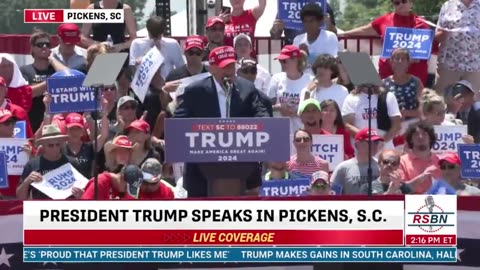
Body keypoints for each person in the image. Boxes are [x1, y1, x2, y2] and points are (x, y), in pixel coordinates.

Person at [174, 45, 269, 198]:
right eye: (225, 67)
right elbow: (179, 121)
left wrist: (262, 126)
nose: (229, 71)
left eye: (232, 66)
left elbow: (261, 113)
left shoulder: (247, 88)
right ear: (212, 68)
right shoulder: (195, 91)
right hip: (201, 168)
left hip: (242, 164)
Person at [340, 0, 432, 85]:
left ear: (411, 2)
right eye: (396, 2)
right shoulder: (384, 20)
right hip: (387, 75)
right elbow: (364, 30)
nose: (400, 4)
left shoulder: (422, 25)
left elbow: (423, 54)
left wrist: (402, 61)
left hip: (413, 78)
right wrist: (342, 34)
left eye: (404, 1)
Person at [20, 31, 68, 132]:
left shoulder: (55, 68)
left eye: (47, 45)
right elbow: (29, 93)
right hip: (33, 121)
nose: (44, 47)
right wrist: (52, 82)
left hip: (56, 122)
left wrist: (51, 59)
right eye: (40, 45)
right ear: (32, 48)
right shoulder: (25, 70)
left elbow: (68, 77)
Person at [16, 125, 81, 200]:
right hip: (41, 209)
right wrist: (27, 182)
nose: (55, 148)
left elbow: (82, 189)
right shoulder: (32, 164)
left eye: (57, 144)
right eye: (50, 145)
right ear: (43, 146)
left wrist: (80, 195)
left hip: (65, 208)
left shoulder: (72, 162)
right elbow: (20, 197)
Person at [434, 0, 480, 95]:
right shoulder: (447, 6)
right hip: (449, 65)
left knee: (473, 103)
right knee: (442, 101)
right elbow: (437, 36)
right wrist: (443, 33)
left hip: (475, 66)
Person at [342, 85, 402, 151]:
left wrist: (381, 141)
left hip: (385, 149)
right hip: (362, 148)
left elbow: (396, 125)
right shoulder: (351, 98)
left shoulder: (388, 96)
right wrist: (367, 139)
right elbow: (347, 125)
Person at [269, 45, 311, 135]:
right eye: (280, 61)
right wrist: (279, 107)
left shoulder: (309, 80)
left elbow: (314, 110)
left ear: (295, 60)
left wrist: (295, 112)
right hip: (279, 131)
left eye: (284, 61)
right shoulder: (276, 78)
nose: (281, 64)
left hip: (302, 132)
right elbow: (268, 106)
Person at [129, 16, 184, 81]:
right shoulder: (137, 44)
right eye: (153, 34)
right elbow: (132, 69)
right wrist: (138, 63)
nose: (155, 38)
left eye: (158, 34)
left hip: (168, 84)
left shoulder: (172, 44)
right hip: (146, 86)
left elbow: (181, 68)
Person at [331, 128, 382, 195]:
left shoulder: (382, 166)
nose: (374, 145)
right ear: (357, 144)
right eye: (370, 142)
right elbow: (333, 194)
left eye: (376, 142)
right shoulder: (343, 168)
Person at [383, 48, 423, 134]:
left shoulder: (416, 82)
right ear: (391, 62)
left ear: (408, 63)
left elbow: (424, 108)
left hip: (413, 125)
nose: (400, 61)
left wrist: (405, 113)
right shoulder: (384, 83)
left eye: (403, 59)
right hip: (392, 126)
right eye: (397, 58)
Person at [398, 121, 442, 194]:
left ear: (430, 138)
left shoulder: (441, 161)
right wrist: (422, 177)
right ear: (411, 140)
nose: (420, 137)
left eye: (424, 134)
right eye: (416, 134)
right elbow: (401, 190)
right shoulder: (402, 161)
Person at [292, 3, 339, 68]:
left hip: (323, 77)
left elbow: (332, 63)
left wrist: (308, 57)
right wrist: (300, 57)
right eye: (305, 21)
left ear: (320, 21)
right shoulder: (297, 40)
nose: (308, 24)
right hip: (303, 77)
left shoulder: (330, 36)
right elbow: (295, 67)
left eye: (312, 21)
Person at [270, 2, 338, 45]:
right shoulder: (285, 5)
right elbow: (275, 36)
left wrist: (329, 24)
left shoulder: (323, 5)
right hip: (293, 52)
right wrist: (275, 30)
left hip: (319, 51)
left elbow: (334, 33)